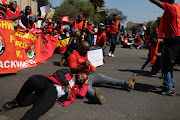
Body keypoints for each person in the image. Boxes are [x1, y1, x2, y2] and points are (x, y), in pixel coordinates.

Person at [0, 69, 89, 120]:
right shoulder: (67, 72)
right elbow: (58, 73)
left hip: (54, 93)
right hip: (48, 82)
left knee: (40, 108)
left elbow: (82, 94)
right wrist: (68, 85)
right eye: (82, 76)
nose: (81, 79)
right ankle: (17, 101)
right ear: (78, 73)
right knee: (34, 79)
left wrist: (86, 83)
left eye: (83, 80)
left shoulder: (77, 87)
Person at [68, 41, 136, 104]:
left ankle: (127, 83)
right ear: (80, 47)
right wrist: (83, 65)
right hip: (83, 79)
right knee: (89, 91)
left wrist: (100, 61)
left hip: (91, 74)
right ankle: (96, 97)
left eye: (88, 50)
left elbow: (93, 64)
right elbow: (73, 70)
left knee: (106, 79)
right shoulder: (73, 56)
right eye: (85, 50)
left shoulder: (87, 53)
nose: (87, 51)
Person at [149, 0, 180, 95]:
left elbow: (156, 2)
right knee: (169, 64)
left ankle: (168, 88)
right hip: (171, 40)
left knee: (165, 65)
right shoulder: (176, 7)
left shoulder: (171, 8)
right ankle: (170, 84)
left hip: (172, 40)